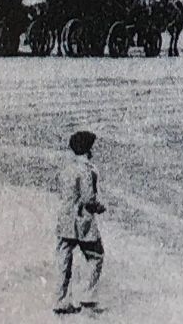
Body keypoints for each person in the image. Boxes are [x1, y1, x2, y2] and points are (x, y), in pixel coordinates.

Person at [54, 130, 105, 315]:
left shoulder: (66, 168)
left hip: (64, 220)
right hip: (82, 223)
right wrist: (99, 207)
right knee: (96, 256)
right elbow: (88, 198)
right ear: (88, 150)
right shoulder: (86, 170)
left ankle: (60, 301)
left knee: (63, 260)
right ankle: (87, 296)